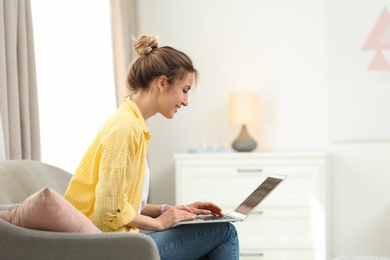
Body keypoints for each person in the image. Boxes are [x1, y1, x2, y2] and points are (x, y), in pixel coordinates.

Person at [64, 35, 239, 260]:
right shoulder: (126, 128)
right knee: (224, 231)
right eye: (184, 90)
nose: (186, 101)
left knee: (212, 234)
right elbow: (109, 210)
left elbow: (122, 203)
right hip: (106, 250)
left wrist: (173, 211)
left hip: (113, 241)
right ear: (163, 83)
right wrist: (159, 223)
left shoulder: (133, 123)